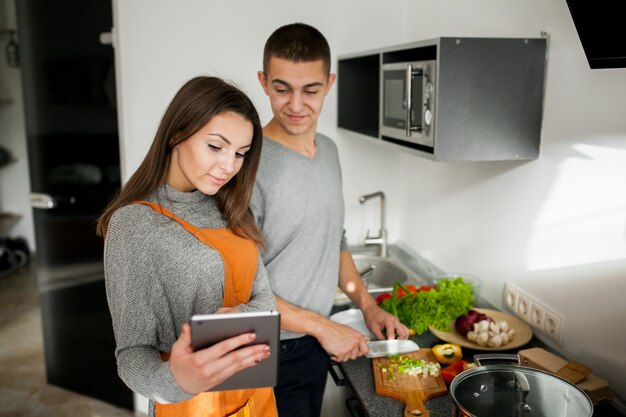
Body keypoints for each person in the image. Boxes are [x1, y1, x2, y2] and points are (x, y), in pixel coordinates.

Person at [252, 23, 410, 417]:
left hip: (313, 341)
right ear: (264, 82)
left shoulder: (330, 152)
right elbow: (241, 287)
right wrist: (324, 328)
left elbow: (333, 241)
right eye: (282, 88)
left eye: (311, 90)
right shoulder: (247, 162)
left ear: (329, 83)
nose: (296, 105)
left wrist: (368, 306)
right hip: (267, 348)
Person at [97, 76, 278, 417]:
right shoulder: (135, 225)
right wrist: (177, 381)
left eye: (240, 153)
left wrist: (235, 317)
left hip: (257, 395)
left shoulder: (232, 206)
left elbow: (265, 298)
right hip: (192, 405)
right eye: (215, 147)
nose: (228, 166)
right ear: (177, 134)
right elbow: (132, 354)